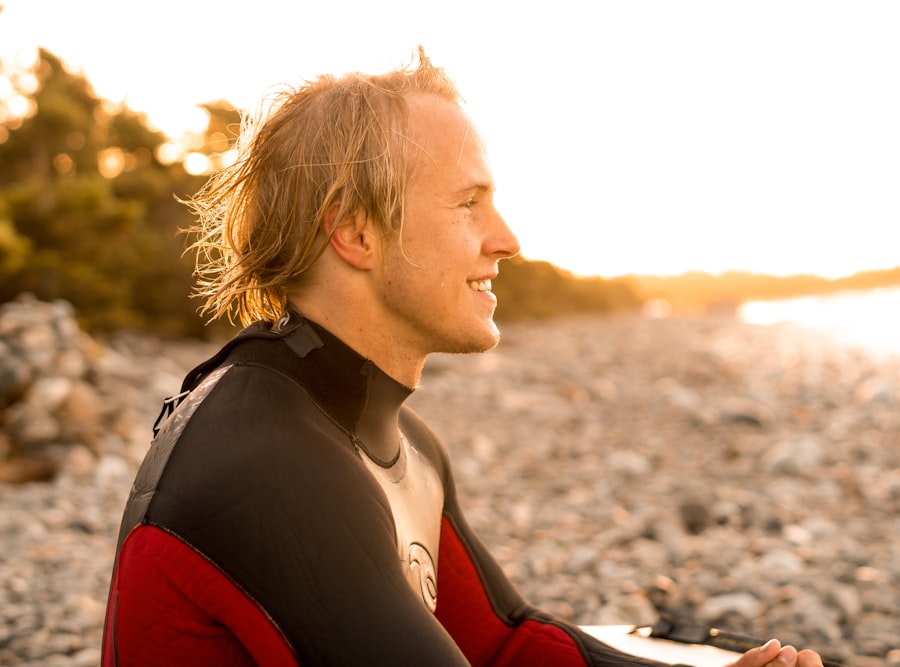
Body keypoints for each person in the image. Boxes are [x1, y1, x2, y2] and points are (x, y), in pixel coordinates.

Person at [101, 48, 824, 667]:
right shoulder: (263, 462)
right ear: (356, 232)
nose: (506, 238)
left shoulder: (394, 441)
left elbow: (503, 643)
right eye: (468, 203)